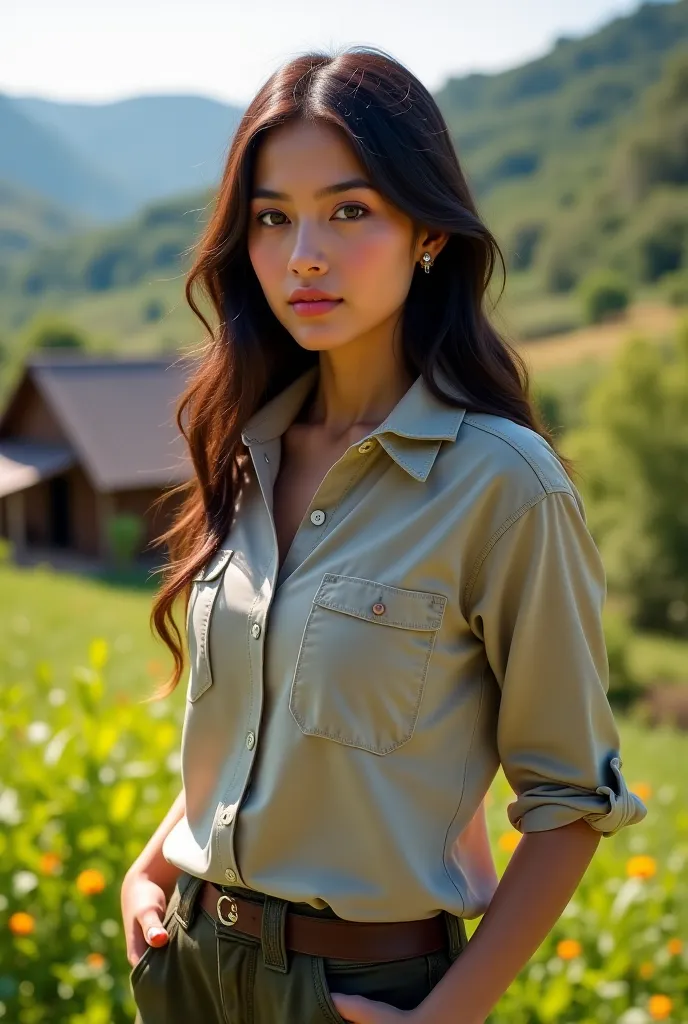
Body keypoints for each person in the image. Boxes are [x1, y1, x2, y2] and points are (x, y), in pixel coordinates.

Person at [120, 45, 647, 1024]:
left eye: (348, 210)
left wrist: (445, 1018)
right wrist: (150, 868)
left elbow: (571, 803)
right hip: (184, 965)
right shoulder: (246, 454)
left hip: (359, 993)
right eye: (272, 218)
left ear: (427, 234)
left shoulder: (505, 487)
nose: (303, 254)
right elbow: (253, 732)